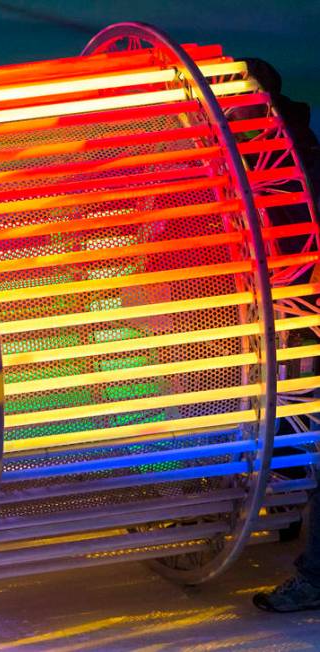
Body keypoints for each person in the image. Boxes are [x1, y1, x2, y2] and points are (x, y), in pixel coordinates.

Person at [243, 59, 320, 613]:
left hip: (302, 311)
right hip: (287, 317)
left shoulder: (292, 162)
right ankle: (292, 508)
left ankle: (313, 573)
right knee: (284, 409)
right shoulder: (267, 155)